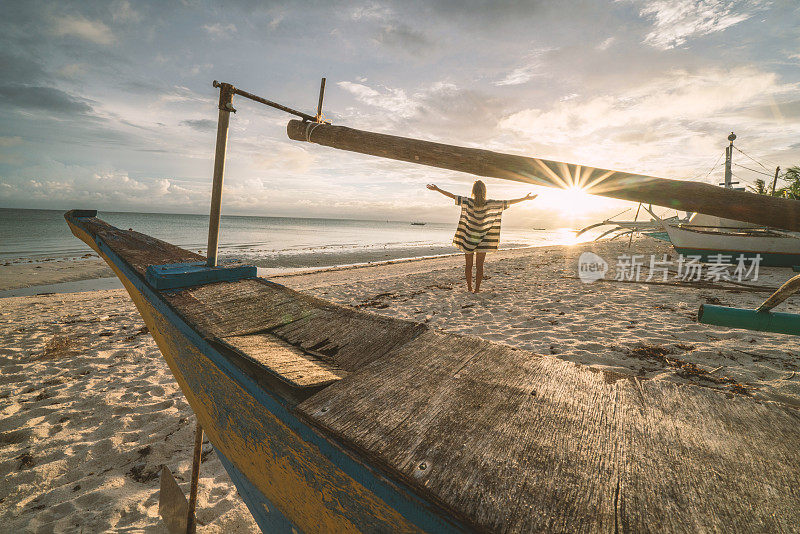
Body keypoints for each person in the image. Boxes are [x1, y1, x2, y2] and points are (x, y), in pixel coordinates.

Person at [427, 180, 536, 293]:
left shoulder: (468, 201)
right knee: (480, 266)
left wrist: (438, 189)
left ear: (473, 191)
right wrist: (525, 198)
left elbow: (452, 196)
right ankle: (477, 289)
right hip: (484, 239)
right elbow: (508, 201)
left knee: (468, 265)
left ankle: (469, 288)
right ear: (484, 191)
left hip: (468, 238)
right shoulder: (490, 203)